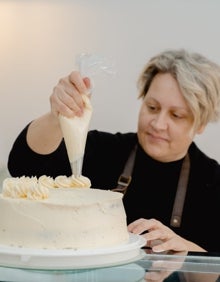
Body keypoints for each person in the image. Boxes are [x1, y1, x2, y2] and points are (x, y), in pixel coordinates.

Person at [7, 49, 220, 253]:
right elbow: (24, 165)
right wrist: (56, 115)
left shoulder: (213, 181)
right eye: (152, 108)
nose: (158, 123)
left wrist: (187, 250)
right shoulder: (104, 151)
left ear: (201, 124)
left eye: (176, 115)